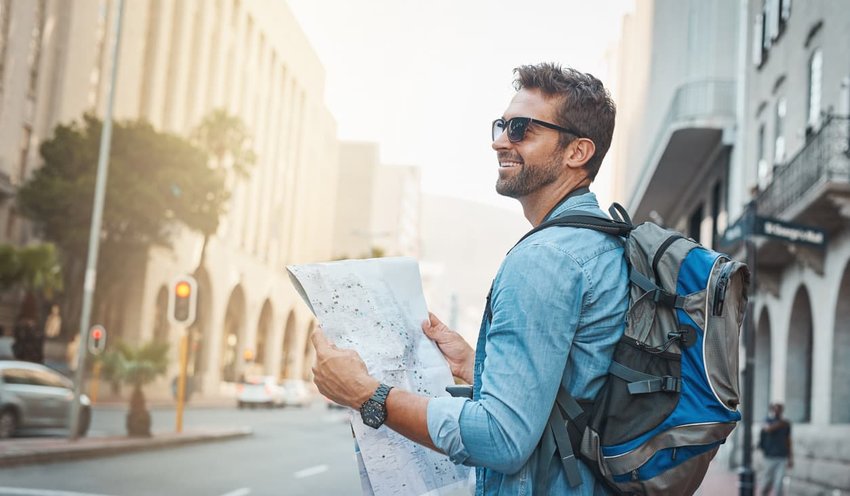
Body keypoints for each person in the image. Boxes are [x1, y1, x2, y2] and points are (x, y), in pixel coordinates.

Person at [311, 63, 628, 495]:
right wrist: (475, 365)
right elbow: (574, 399)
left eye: (521, 129)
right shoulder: (600, 243)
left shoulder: (545, 258)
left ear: (577, 152)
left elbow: (501, 439)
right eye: (502, 125)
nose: (500, 141)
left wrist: (367, 394)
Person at [758, 403, 793, 496]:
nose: (777, 411)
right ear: (772, 410)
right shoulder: (767, 421)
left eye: (779, 409)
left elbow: (788, 441)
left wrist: (790, 458)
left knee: (779, 483)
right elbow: (768, 429)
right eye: (775, 409)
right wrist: (780, 424)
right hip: (769, 457)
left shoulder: (786, 424)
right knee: (766, 482)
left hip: (782, 457)